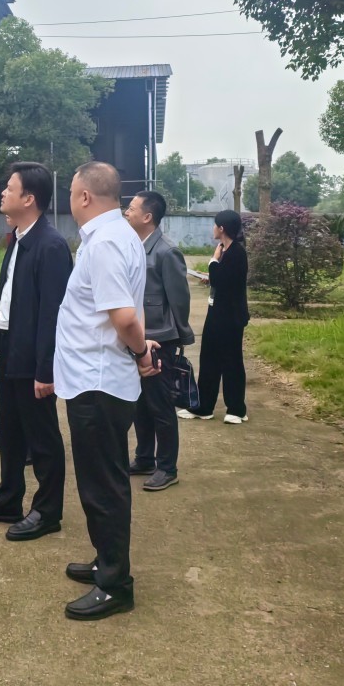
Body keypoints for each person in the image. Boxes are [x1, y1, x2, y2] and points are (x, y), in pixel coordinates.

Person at [54, 162, 158, 620]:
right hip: (95, 380)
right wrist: (139, 348)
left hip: (98, 384)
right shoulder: (118, 237)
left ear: (84, 197)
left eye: (71, 192)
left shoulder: (106, 243)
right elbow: (129, 310)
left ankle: (115, 584)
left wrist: (141, 351)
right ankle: (105, 560)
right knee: (101, 481)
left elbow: (125, 318)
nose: (69, 200)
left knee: (103, 487)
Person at [0, 163, 73, 540]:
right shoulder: (19, 237)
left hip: (33, 355)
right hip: (10, 345)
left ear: (28, 199)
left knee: (42, 437)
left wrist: (47, 369)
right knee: (9, 430)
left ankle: (47, 511)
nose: (3, 193)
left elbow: (53, 315)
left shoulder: (51, 245)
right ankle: (8, 498)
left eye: (9, 188)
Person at [124, 190, 194, 491]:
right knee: (140, 403)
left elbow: (179, 299)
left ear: (148, 216)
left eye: (132, 208)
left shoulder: (166, 251)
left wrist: (178, 336)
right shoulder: (133, 245)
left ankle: (167, 467)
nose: (126, 212)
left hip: (160, 338)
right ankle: (144, 458)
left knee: (160, 404)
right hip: (139, 336)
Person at [178, 209, 249, 424]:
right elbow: (222, 278)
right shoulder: (225, 250)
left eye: (215, 225)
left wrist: (213, 262)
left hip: (231, 317)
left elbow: (224, 280)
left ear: (222, 228)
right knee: (209, 360)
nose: (213, 228)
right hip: (216, 313)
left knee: (231, 362)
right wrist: (212, 273)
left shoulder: (236, 252)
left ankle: (236, 409)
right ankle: (204, 407)